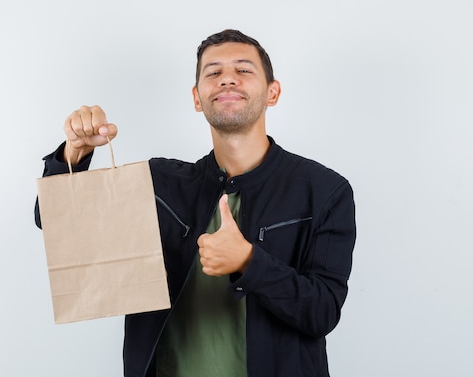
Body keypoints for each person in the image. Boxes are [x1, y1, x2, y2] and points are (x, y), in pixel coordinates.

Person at [35, 29, 356, 377]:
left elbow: (323, 311)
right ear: (197, 98)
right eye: (213, 72)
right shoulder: (159, 182)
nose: (227, 79)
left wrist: (249, 261)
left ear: (272, 92)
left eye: (244, 70)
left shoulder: (324, 190)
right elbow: (56, 222)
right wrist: (75, 154)